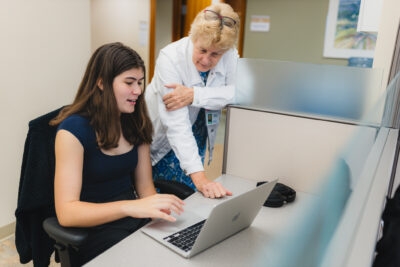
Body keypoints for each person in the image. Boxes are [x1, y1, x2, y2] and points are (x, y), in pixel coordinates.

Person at [50, 42, 184, 266]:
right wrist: (129, 207)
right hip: (96, 232)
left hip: (134, 222)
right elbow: (66, 212)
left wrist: (162, 220)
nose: (138, 91)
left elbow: (144, 187)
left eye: (140, 82)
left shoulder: (135, 122)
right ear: (101, 82)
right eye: (129, 82)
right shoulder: (72, 132)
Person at [145, 3, 240, 199]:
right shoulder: (170, 58)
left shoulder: (230, 54)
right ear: (193, 38)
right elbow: (176, 124)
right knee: (162, 196)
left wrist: (194, 95)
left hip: (199, 129)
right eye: (202, 50)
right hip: (164, 136)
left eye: (215, 54)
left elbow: (238, 93)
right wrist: (201, 179)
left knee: (188, 195)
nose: (206, 60)